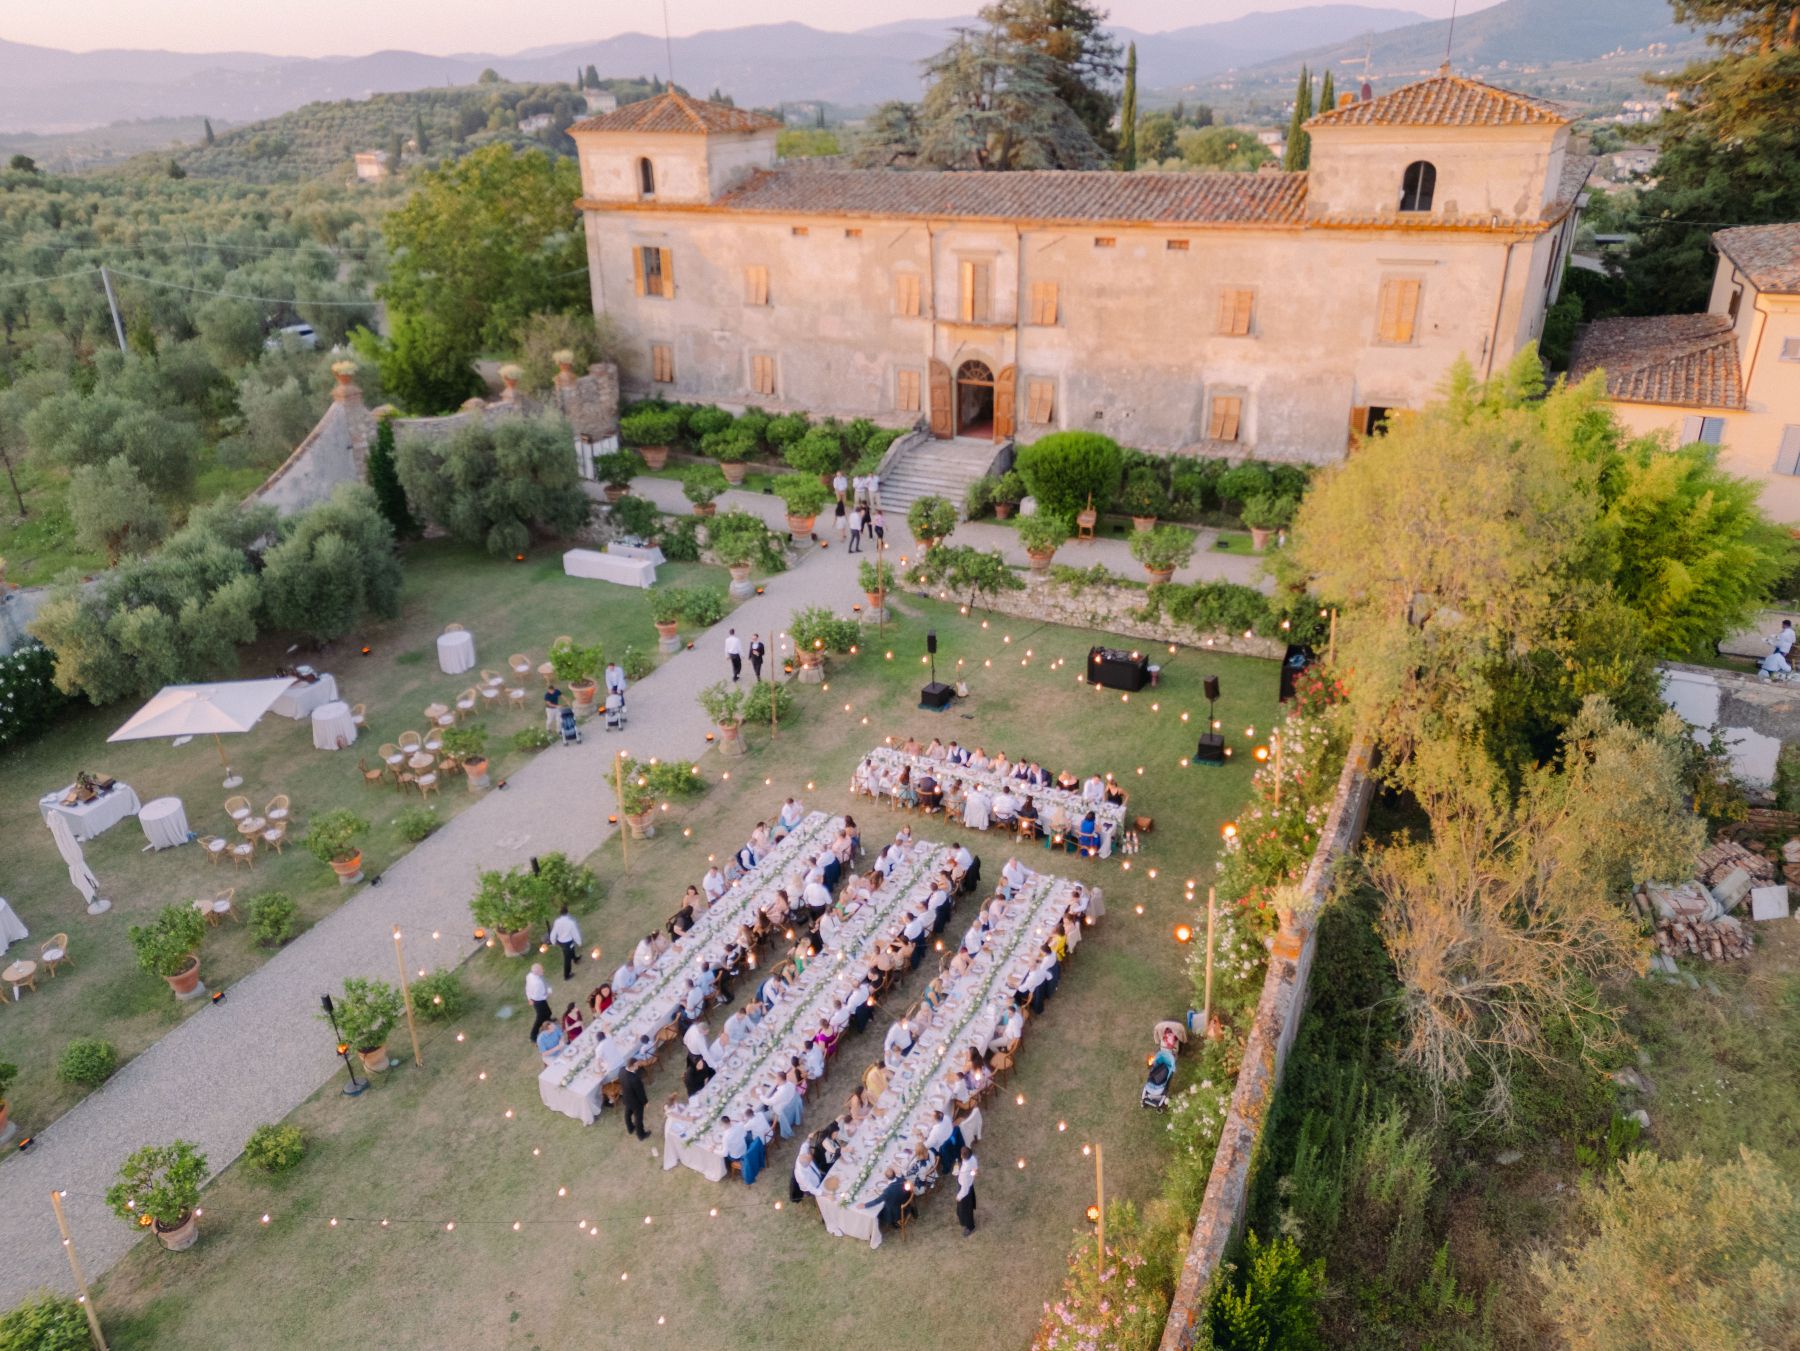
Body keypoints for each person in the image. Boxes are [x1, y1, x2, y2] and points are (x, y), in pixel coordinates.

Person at [549, 905, 582, 980]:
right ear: (567, 912)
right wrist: (579, 942)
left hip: (561, 942)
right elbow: (575, 933)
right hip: (568, 942)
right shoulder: (570, 923)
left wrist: (553, 942)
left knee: (572, 949)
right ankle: (566, 975)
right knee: (567, 959)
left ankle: (575, 959)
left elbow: (553, 933)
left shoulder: (557, 922)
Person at [525, 963, 554, 1044]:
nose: (543, 970)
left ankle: (548, 1020)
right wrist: (548, 993)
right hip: (538, 1000)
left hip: (534, 998)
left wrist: (529, 998)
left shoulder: (529, 975)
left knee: (548, 1012)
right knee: (540, 1017)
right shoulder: (538, 983)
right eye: (541, 970)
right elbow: (541, 996)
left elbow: (527, 988)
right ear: (536, 972)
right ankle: (533, 1035)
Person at [618, 1064, 649, 1138]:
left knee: (627, 1114)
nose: (638, 1066)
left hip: (626, 1098)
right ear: (632, 1065)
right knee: (638, 1118)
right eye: (636, 1064)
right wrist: (645, 1102)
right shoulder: (635, 1079)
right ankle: (641, 1134)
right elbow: (640, 1093)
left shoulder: (621, 1071)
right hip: (635, 1102)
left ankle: (630, 1128)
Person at [955, 1145, 979, 1236]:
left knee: (966, 1210)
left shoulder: (965, 1173)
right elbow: (975, 1169)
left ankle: (970, 1227)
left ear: (962, 1156)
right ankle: (961, 1215)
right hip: (967, 1185)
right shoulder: (972, 1159)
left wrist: (959, 1197)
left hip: (965, 1191)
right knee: (962, 1209)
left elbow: (964, 1190)